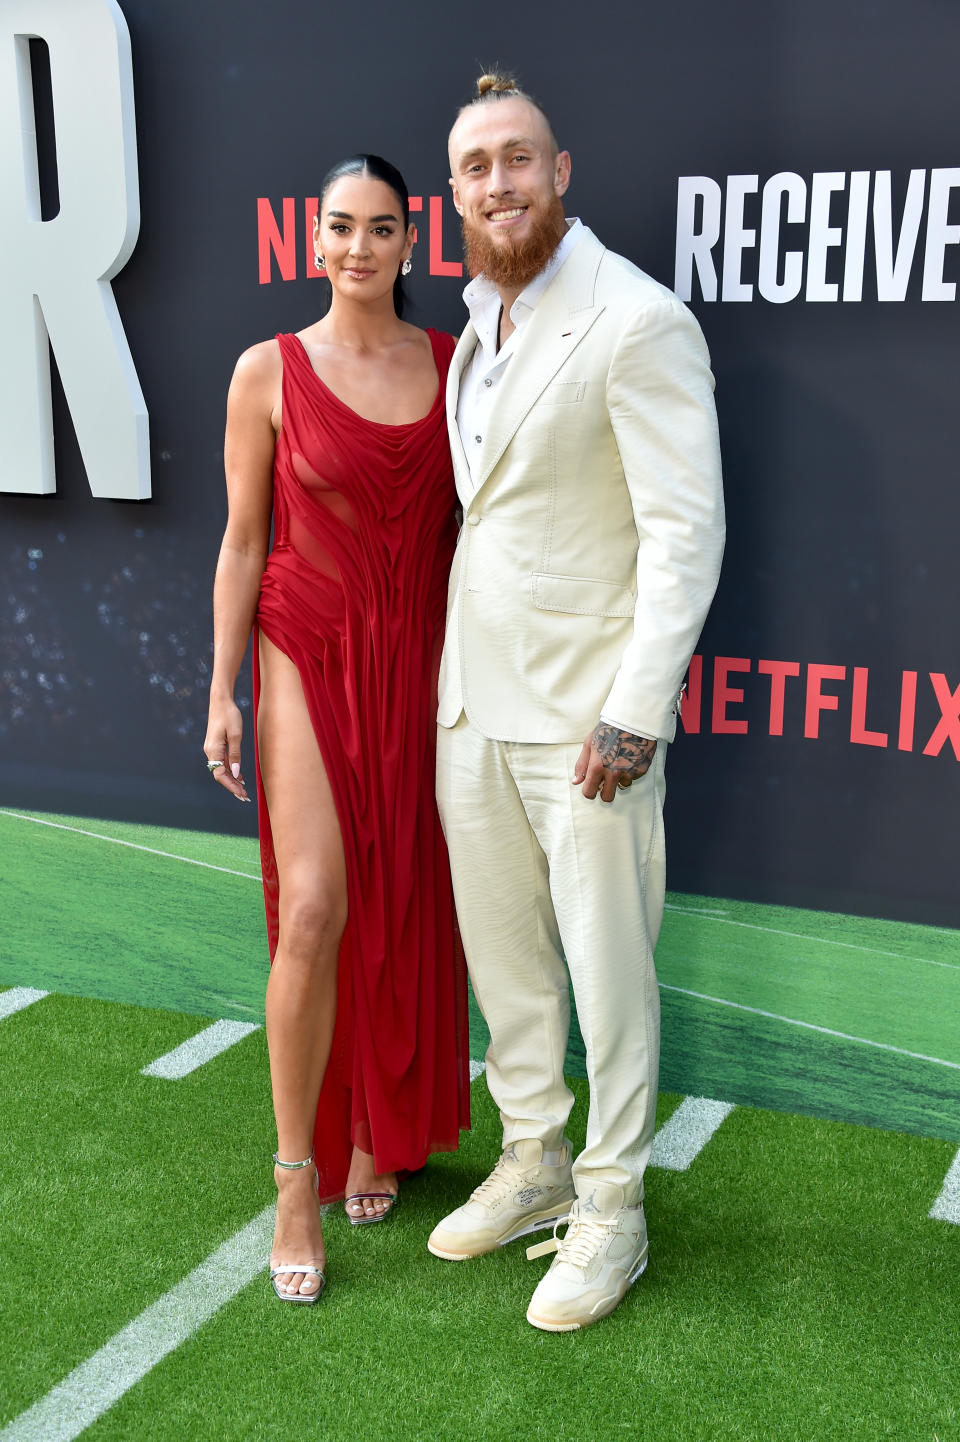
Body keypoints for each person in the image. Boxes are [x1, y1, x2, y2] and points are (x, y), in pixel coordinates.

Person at [428, 74, 725, 1331]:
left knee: (607, 973)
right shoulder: (476, 319)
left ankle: (614, 1208)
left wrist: (637, 707)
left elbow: (686, 527)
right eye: (472, 168)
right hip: (472, 704)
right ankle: (537, 1156)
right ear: (456, 197)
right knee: (511, 970)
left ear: (563, 172)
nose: (496, 183)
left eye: (516, 159)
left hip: (590, 723)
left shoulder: (636, 318)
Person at [204, 154, 469, 1304]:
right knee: (315, 902)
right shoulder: (268, 369)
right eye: (339, 227)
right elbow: (242, 540)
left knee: (402, 895)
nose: (358, 247)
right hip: (304, 645)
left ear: (413, 244)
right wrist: (222, 688)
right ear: (312, 240)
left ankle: (376, 1128)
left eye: (381, 229)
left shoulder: (458, 365)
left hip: (418, 656)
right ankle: (297, 1174)